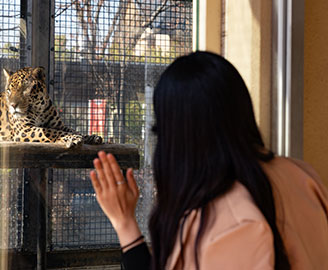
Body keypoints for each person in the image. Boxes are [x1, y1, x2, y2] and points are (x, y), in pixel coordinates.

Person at [90, 51, 328, 270]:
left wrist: (125, 224)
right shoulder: (301, 174)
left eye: (160, 131)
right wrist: (125, 222)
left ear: (178, 137)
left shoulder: (230, 224)